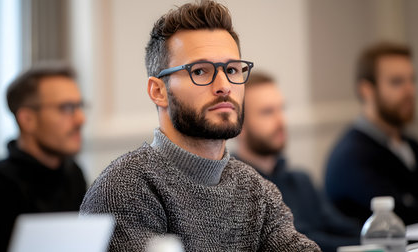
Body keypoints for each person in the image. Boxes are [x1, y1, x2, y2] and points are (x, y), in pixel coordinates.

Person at [80, 1, 320, 251]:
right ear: (158, 91)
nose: (224, 85)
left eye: (231, 69)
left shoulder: (257, 191)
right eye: (200, 71)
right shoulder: (125, 188)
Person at [233, 72, 360, 252]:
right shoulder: (236, 189)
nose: (281, 121)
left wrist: (384, 237)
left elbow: (343, 228)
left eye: (281, 109)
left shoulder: (301, 181)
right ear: (239, 126)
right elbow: (298, 242)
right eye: (267, 112)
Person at [0, 62, 87, 252]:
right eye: (66, 108)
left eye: (79, 106)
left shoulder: (73, 174)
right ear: (27, 119)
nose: (80, 119)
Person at [325, 42, 418, 225]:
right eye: (397, 82)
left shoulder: (411, 144)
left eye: (412, 80)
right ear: (366, 90)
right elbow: (400, 217)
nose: (410, 90)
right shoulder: (352, 157)